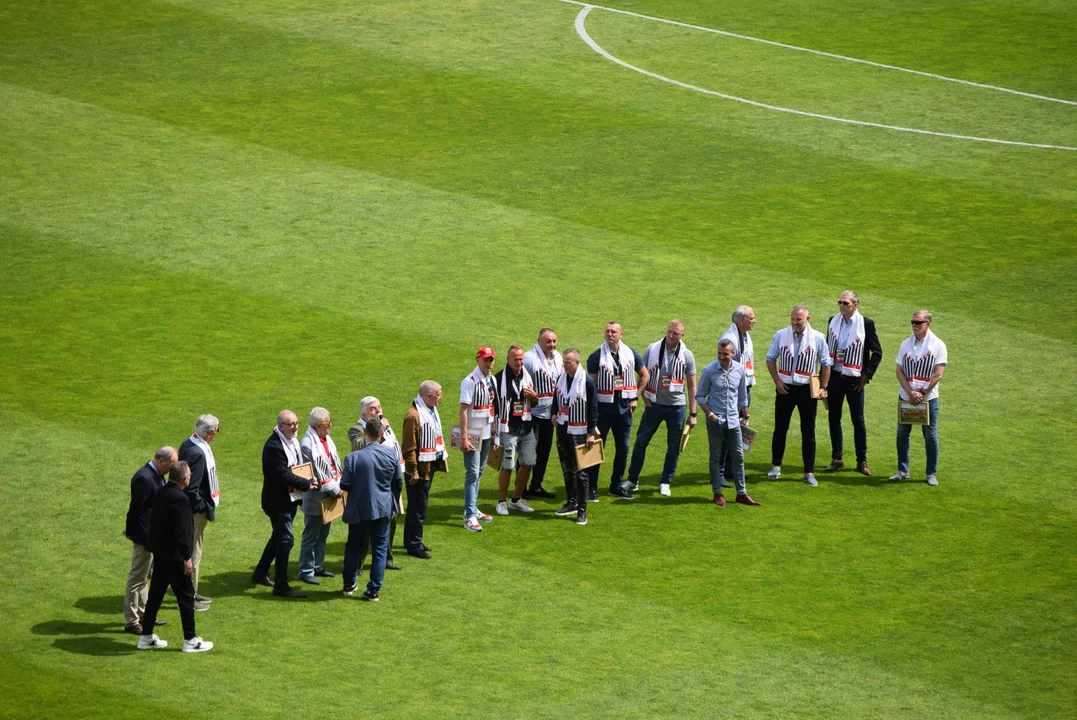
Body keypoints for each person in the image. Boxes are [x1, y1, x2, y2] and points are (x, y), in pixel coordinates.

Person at [136, 461, 214, 653]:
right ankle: (190, 639)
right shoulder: (181, 499)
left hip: (161, 554)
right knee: (186, 598)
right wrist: (187, 558)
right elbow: (182, 532)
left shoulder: (161, 492)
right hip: (176, 557)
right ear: (185, 478)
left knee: (155, 596)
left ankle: (146, 636)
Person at [625, 320, 697, 497]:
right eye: (669, 332)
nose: (671, 336)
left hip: (677, 407)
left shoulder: (687, 355)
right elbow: (642, 374)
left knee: (673, 447)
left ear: (682, 335)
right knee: (641, 442)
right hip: (654, 405)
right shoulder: (653, 348)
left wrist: (693, 413)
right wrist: (644, 398)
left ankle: (665, 481)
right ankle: (632, 480)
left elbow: (692, 385)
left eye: (675, 333)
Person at [765, 305, 832, 486]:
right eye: (793, 319)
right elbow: (770, 358)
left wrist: (823, 387)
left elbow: (826, 363)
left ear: (807, 319)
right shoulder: (780, 335)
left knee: (808, 431)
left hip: (806, 389)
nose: (795, 323)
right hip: (785, 388)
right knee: (780, 428)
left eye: (799, 320)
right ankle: (776, 465)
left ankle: (808, 472)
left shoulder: (818, 338)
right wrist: (777, 382)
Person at [253, 410, 313, 598]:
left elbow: (296, 468)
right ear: (280, 426)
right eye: (291, 424)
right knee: (286, 540)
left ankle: (260, 572)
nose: (295, 427)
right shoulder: (274, 446)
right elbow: (282, 475)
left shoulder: (290, 440)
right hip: (277, 501)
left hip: (289, 499)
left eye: (297, 423)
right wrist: (306, 484)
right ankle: (281, 585)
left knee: (278, 537)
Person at [587, 322, 650, 500]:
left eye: (613, 331)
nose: (609, 334)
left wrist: (635, 396)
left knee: (623, 449)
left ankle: (616, 485)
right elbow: (590, 387)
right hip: (603, 411)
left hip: (624, 410)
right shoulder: (596, 356)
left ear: (621, 334)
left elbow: (645, 375)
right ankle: (591, 487)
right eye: (607, 331)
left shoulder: (630, 353)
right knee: (597, 450)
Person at [823, 291, 883, 476]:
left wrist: (866, 375)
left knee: (858, 420)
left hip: (855, 379)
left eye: (845, 303)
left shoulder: (866, 324)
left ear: (855, 305)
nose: (841, 305)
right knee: (834, 418)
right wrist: (822, 378)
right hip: (835, 376)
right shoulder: (833, 320)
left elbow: (877, 352)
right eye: (840, 302)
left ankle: (862, 461)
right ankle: (837, 458)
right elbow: (827, 349)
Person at [341, 417, 399, 601]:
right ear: (382, 434)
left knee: (353, 547)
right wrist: (393, 502)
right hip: (383, 508)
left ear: (365, 434)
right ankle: (374, 590)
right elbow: (398, 483)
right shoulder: (391, 454)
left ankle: (349, 584)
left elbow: (345, 483)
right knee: (380, 549)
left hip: (358, 509)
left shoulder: (352, 458)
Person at [697, 340, 761, 507]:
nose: (721, 356)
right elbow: (699, 396)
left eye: (725, 353)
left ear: (733, 354)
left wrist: (745, 415)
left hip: (734, 421)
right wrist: (710, 414)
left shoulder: (739, 370)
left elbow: (742, 397)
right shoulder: (709, 371)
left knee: (738, 457)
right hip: (715, 422)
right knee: (715, 457)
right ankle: (717, 492)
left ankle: (742, 493)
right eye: (719, 353)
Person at [347, 397, 405, 570]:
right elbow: (360, 447)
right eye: (373, 409)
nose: (378, 411)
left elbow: (394, 446)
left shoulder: (383, 425)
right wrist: (383, 428)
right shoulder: (356, 429)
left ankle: (386, 559)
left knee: (391, 519)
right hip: (368, 485)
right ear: (364, 413)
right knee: (365, 526)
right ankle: (358, 564)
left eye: (379, 407)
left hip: (388, 481)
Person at [891, 310, 948, 486]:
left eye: (918, 322)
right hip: (906, 397)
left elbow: (938, 374)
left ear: (928, 324)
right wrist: (910, 392)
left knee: (930, 436)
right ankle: (903, 470)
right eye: (913, 322)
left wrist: (922, 393)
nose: (914, 325)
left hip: (928, 399)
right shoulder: (905, 344)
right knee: (902, 434)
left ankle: (931, 473)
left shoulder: (938, 345)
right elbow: (899, 370)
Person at [123, 446, 176, 635]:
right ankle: (131, 621)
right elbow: (136, 509)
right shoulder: (144, 478)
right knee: (137, 579)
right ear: (161, 461)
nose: (172, 468)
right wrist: (131, 532)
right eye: (171, 464)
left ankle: (144, 615)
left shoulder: (157, 474)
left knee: (145, 577)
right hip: (145, 536)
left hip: (154, 536)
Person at [550, 349, 599, 525]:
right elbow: (556, 398)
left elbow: (593, 408)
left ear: (577, 363)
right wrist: (553, 413)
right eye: (564, 362)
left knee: (581, 472)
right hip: (563, 428)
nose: (564, 365)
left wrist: (591, 432)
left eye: (568, 362)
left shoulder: (587, 382)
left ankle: (582, 510)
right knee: (567, 468)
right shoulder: (561, 379)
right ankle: (571, 502)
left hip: (580, 431)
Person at [401, 381, 447, 559]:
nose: (440, 398)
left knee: (419, 506)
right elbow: (409, 447)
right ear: (428, 396)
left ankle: (414, 540)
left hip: (427, 466)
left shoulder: (428, 410)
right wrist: (413, 470)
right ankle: (413, 545)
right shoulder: (413, 416)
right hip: (418, 470)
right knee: (418, 508)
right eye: (438, 395)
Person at [297, 407, 343, 585]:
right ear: (318, 425)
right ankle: (306, 570)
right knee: (311, 535)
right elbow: (314, 473)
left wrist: (339, 483)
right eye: (327, 423)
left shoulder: (326, 439)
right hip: (315, 498)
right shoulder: (307, 444)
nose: (330, 426)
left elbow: (332, 464)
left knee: (323, 534)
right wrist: (334, 488)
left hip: (330, 494)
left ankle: (318, 565)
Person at [178, 414, 219, 611]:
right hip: (194, 512)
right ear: (210, 434)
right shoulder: (198, 453)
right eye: (217, 431)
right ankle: (189, 597)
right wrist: (203, 507)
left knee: (193, 552)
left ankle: (191, 593)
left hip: (188, 510)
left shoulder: (189, 442)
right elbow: (192, 489)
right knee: (193, 554)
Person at [494, 345, 540, 515]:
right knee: (507, 466)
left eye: (521, 359)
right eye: (516, 359)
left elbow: (534, 403)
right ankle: (501, 502)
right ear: (508, 359)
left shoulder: (527, 377)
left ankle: (516, 499)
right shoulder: (499, 379)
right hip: (508, 429)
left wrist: (534, 397)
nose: (519, 363)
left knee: (528, 463)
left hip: (526, 427)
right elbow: (494, 406)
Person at [717, 306, 757, 487]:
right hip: (733, 391)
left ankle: (731, 469)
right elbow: (726, 366)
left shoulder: (744, 336)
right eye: (751, 318)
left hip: (744, 387)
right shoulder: (730, 339)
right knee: (729, 430)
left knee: (738, 429)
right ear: (741, 320)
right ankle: (721, 471)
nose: (754, 321)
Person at [459, 347, 498, 531]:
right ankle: (469, 515)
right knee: (472, 473)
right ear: (478, 360)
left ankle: (473, 507)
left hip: (487, 432)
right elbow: (463, 411)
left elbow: (493, 407)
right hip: (473, 434)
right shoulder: (470, 381)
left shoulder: (492, 380)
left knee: (479, 471)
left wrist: (495, 432)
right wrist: (464, 437)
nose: (489, 364)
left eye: (491, 360)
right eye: (486, 360)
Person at [522, 328, 562, 499]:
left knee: (544, 451)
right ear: (539, 341)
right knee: (529, 452)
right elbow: (519, 382)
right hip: (532, 414)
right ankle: (521, 489)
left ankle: (536, 485)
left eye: (554, 341)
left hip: (550, 415)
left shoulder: (558, 358)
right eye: (548, 341)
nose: (551, 344)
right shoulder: (529, 360)